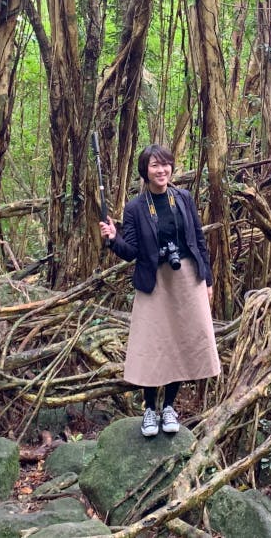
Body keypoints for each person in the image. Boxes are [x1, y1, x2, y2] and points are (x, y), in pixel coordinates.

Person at [99, 144, 221, 438]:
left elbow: (198, 241)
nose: (161, 170)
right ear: (145, 171)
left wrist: (208, 279)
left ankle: (169, 406)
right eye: (155, 165)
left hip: (186, 278)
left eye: (165, 164)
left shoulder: (184, 198)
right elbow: (132, 252)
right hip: (154, 281)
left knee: (181, 342)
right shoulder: (135, 207)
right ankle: (150, 409)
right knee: (153, 344)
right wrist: (113, 239)